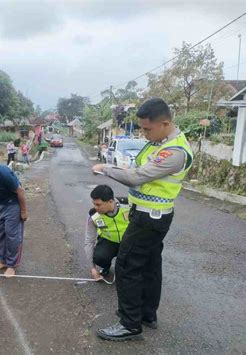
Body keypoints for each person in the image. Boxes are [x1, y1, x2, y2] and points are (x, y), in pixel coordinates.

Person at [92, 98, 193, 341]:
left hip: (150, 219)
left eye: (148, 129)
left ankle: (129, 324)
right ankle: (146, 314)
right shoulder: (157, 143)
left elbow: (137, 176)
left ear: (165, 123)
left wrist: (105, 169)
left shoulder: (175, 152)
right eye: (142, 129)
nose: (144, 134)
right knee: (149, 266)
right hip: (146, 214)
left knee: (126, 265)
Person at [84, 185, 129, 281]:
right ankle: (106, 266)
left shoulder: (128, 205)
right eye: (94, 204)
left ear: (110, 201)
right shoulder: (93, 216)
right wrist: (93, 268)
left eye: (98, 204)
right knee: (100, 257)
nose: (95, 207)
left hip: (128, 241)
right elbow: (89, 241)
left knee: (129, 267)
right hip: (108, 242)